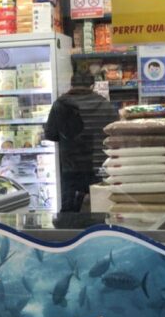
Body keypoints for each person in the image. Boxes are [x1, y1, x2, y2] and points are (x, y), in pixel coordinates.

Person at [44, 71, 119, 212]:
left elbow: (50, 134)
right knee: (101, 207)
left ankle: (72, 225)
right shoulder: (104, 104)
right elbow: (115, 134)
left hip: (71, 166)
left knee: (71, 209)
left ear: (71, 84)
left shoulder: (60, 104)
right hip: (99, 165)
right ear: (92, 85)